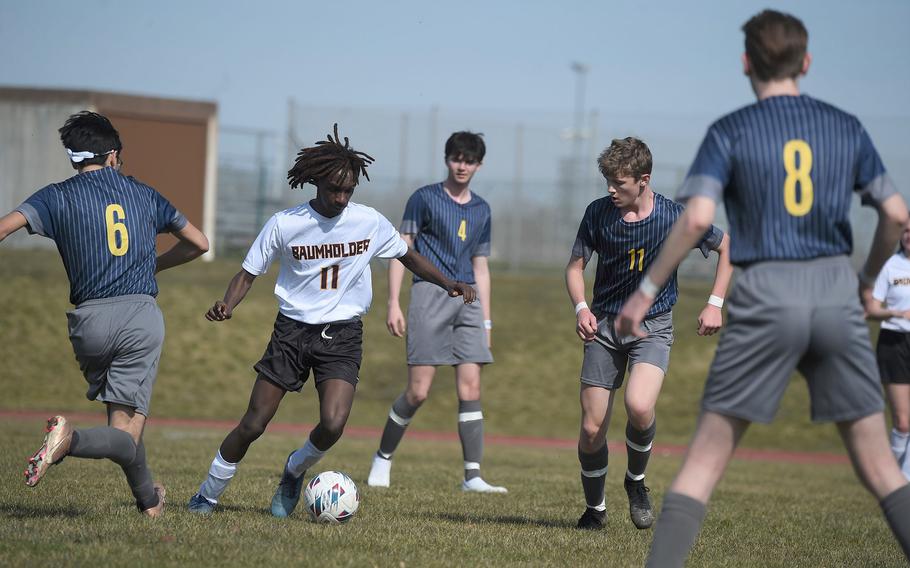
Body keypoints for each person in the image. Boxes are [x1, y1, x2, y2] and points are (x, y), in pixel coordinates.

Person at [615, 10, 910, 565]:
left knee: (702, 465)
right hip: (833, 291)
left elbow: (697, 220)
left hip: (765, 290)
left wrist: (645, 290)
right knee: (880, 467)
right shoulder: (846, 127)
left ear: (746, 62)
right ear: (807, 62)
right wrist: (866, 282)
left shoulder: (729, 131)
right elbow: (895, 214)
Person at [187, 124, 477, 517]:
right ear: (315, 183)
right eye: (333, 189)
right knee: (254, 423)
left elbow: (407, 255)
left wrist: (448, 283)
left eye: (348, 190)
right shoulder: (285, 223)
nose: (341, 198)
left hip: (342, 334)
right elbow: (248, 273)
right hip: (291, 332)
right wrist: (227, 304)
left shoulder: (368, 222)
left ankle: (294, 469)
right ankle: (207, 494)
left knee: (334, 424)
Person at [0, 111, 209, 517]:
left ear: (75, 157)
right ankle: (69, 440)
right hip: (139, 319)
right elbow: (198, 243)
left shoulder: (54, 195)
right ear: (112, 155)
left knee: (127, 420)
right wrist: (155, 265)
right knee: (125, 436)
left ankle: (149, 502)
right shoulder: (144, 193)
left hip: (89, 323)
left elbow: (5, 227)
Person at [566, 137, 732, 531]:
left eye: (618, 183)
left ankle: (636, 482)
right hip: (604, 327)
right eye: (607, 180)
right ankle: (596, 511)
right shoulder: (597, 214)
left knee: (640, 407)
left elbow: (729, 248)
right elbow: (574, 268)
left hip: (652, 327)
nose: (610, 189)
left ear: (644, 180)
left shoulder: (676, 217)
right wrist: (581, 308)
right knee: (592, 429)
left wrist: (715, 303)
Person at [367, 131, 506, 493]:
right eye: (457, 158)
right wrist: (393, 302)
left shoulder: (483, 209)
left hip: (469, 298)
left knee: (471, 384)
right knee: (419, 391)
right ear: (447, 159)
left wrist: (487, 319)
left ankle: (472, 476)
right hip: (430, 292)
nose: (462, 165)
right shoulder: (424, 198)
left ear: (479, 165)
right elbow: (402, 249)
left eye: (469, 160)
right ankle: (383, 457)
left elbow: (482, 267)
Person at [866, 220, 910, 481]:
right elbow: (872, 309)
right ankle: (890, 481)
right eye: (906, 231)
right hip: (894, 343)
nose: (908, 236)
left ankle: (905, 486)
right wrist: (895, 312)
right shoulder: (890, 266)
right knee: (903, 423)